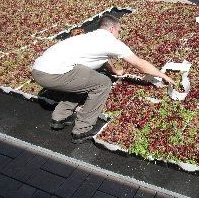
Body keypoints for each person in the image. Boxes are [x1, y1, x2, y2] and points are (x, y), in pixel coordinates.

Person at [31, 15, 176, 144]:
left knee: (84, 77)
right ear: (112, 29)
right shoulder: (111, 42)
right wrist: (163, 76)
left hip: (39, 70)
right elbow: (140, 64)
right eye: (119, 31)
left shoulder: (89, 37)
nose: (119, 35)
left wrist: (114, 70)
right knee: (103, 83)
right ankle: (82, 130)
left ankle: (59, 118)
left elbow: (100, 58)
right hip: (53, 75)